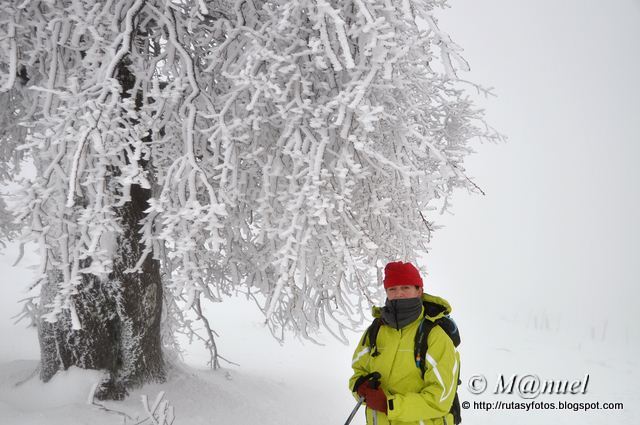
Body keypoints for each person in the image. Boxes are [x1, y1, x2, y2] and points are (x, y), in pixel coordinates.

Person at [349, 261, 460, 425]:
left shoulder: (435, 336)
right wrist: (360, 388)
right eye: (392, 289)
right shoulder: (375, 331)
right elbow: (358, 372)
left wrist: (389, 406)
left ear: (419, 291)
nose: (398, 294)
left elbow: (440, 398)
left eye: (405, 287)